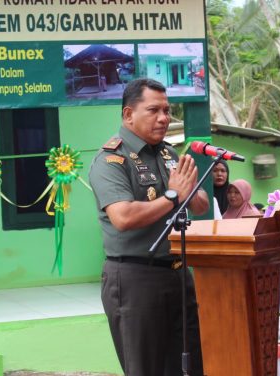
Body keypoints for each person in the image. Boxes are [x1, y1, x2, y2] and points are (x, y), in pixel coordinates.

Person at [89, 78, 209, 376]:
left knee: (189, 367)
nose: (164, 118)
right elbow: (124, 217)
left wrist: (190, 194)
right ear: (128, 114)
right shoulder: (111, 161)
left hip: (178, 274)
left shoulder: (169, 154)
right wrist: (173, 196)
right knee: (146, 369)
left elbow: (201, 203)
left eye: (167, 110)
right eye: (154, 110)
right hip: (134, 279)